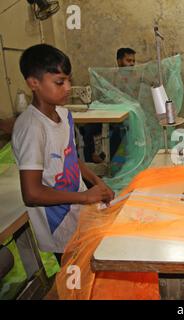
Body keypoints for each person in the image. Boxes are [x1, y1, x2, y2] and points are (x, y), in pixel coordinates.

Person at [12, 44, 114, 265]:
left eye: (69, 80)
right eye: (60, 82)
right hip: (58, 222)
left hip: (78, 211)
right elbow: (32, 193)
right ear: (33, 83)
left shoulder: (64, 115)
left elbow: (71, 158)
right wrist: (85, 196)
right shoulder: (32, 128)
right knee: (75, 277)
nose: (68, 87)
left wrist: (97, 183)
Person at [80, 47, 136, 163]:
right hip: (110, 114)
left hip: (125, 118)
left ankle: (105, 159)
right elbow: (105, 97)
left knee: (120, 130)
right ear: (119, 61)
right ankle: (90, 161)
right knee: (87, 130)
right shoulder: (111, 77)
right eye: (128, 61)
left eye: (133, 61)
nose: (132, 64)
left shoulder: (135, 78)